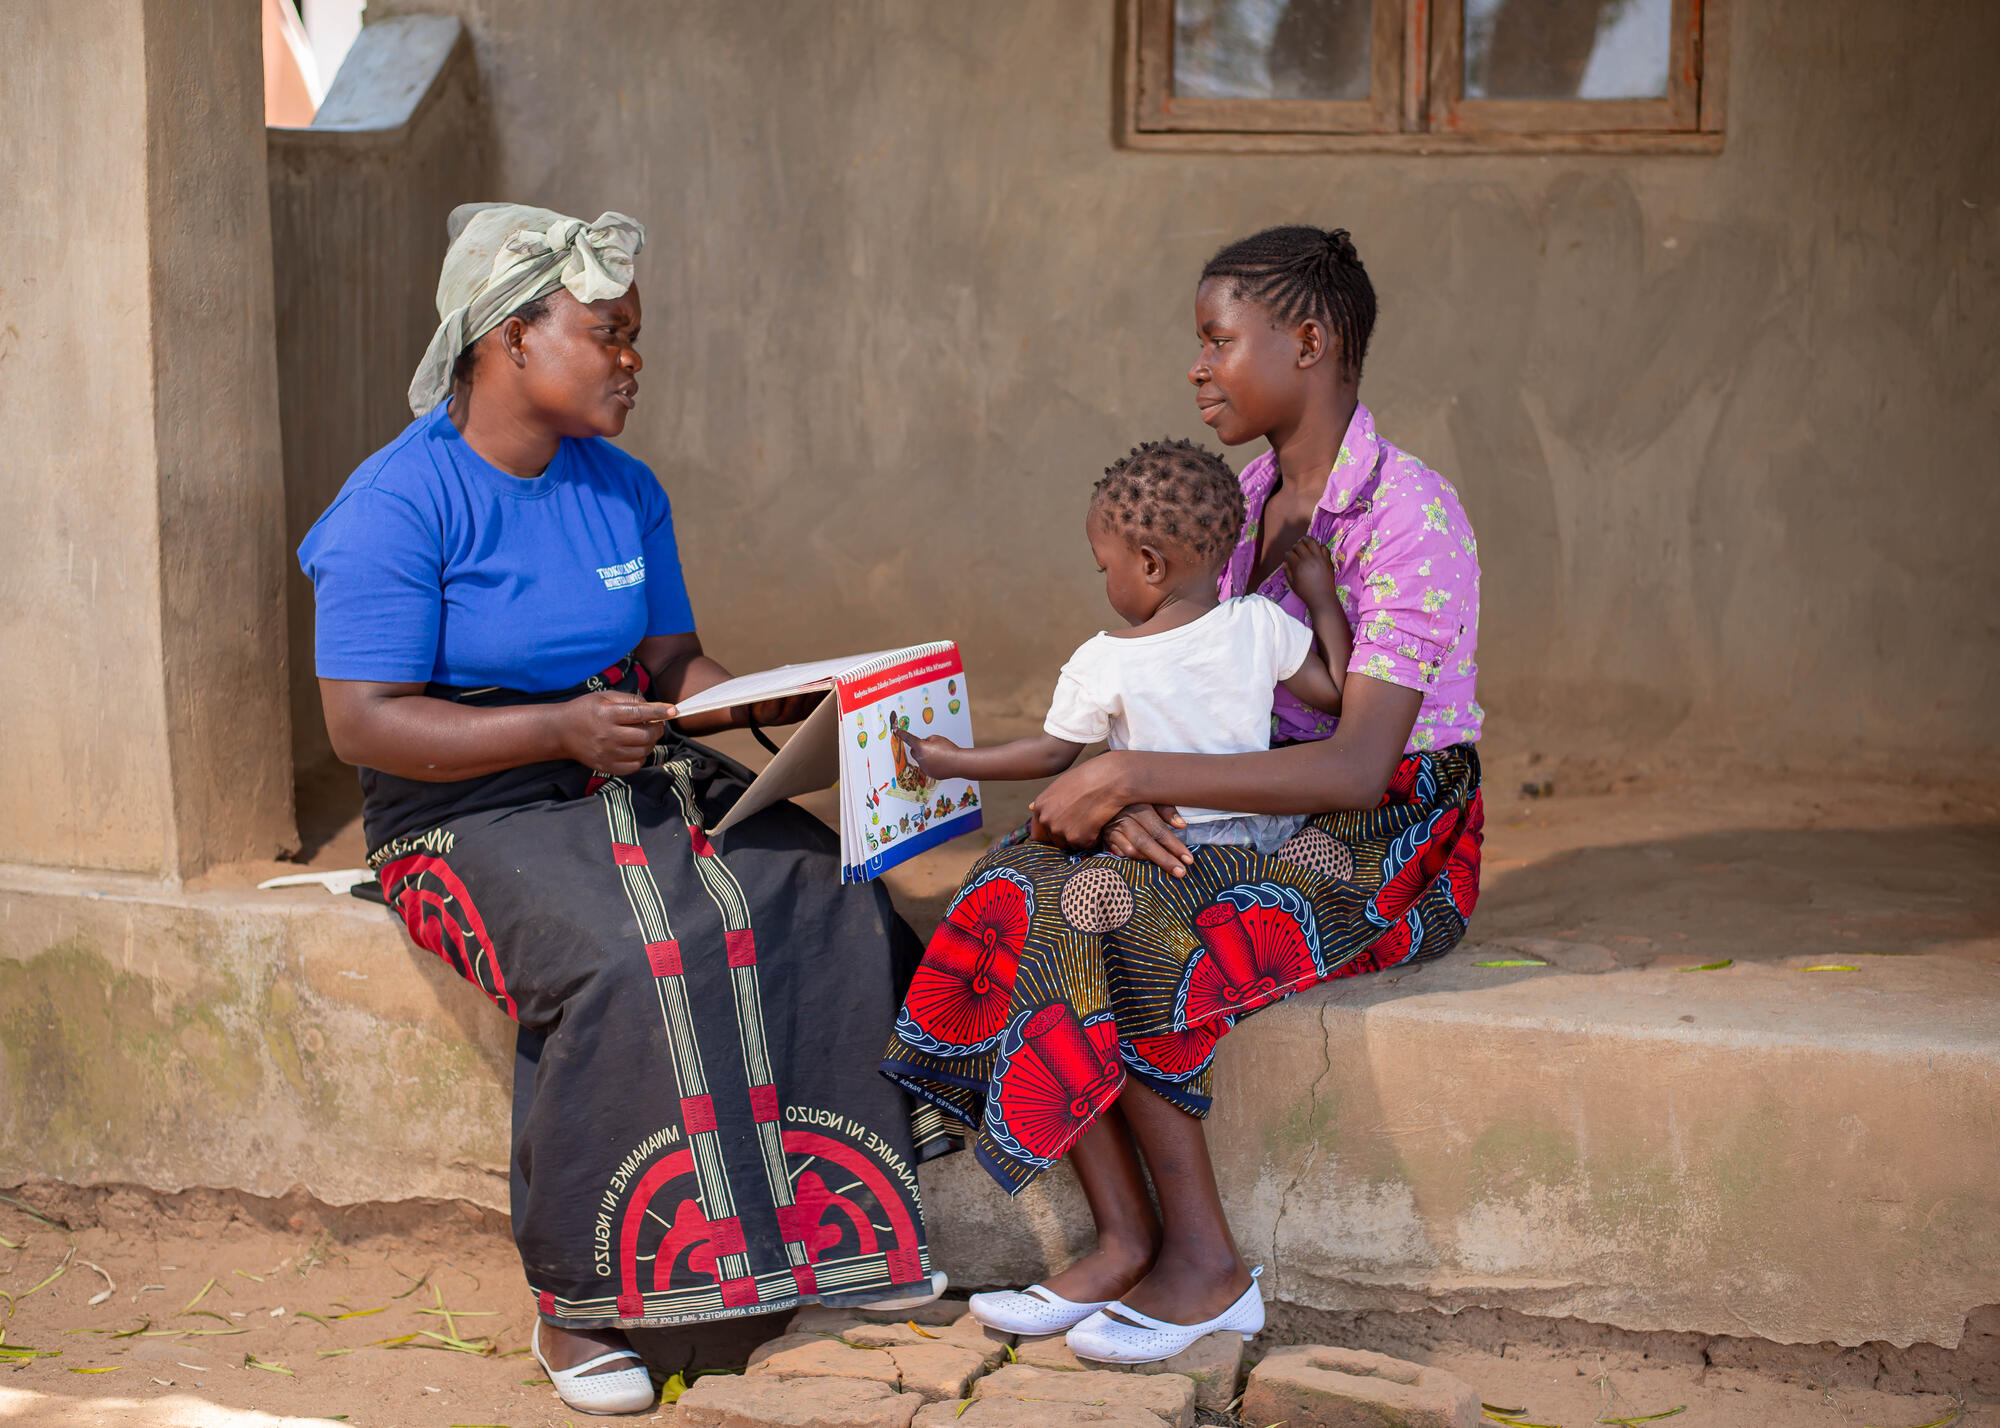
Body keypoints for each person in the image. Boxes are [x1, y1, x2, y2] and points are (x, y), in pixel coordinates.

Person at [299, 204, 942, 1416]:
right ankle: (581, 1307)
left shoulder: (623, 490)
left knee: (816, 884)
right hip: (459, 806)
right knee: (622, 949)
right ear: (508, 340)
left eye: (634, 335)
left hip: (618, 763)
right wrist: (552, 727)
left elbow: (672, 666)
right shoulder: (398, 503)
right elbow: (364, 724)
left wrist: (801, 713)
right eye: (608, 333)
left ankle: (821, 1244)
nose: (633, 360)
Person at [880, 225, 1484, 1365]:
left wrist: (1135, 776)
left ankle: (1205, 1268)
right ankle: (1119, 1238)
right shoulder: (1238, 497)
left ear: (1306, 343)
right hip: (1249, 804)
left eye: (1216, 342)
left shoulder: (1412, 518)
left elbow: (1358, 764)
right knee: (1022, 876)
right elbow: (1193, 693)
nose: (1196, 368)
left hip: (1387, 834)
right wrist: (1120, 793)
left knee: (1123, 912)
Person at [892, 437, 1355, 858]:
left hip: (1160, 841)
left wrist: (952, 761)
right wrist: (1321, 598)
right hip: (1262, 837)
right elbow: (1337, 695)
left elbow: (1050, 755)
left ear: (1150, 565)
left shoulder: (1103, 660)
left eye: (1104, 568)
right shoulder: (1262, 622)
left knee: (1017, 861)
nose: (1105, 582)